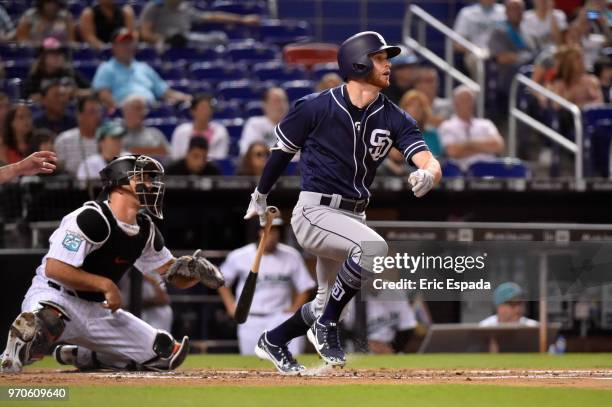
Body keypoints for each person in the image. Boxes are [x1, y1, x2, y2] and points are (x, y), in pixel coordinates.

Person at [245, 31, 441, 373]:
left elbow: (426, 158)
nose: (388, 64)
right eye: (380, 58)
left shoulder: (393, 115)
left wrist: (429, 174)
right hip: (315, 211)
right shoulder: (315, 106)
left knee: (328, 302)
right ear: (359, 62)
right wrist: (260, 195)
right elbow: (280, 154)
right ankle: (327, 326)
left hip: (353, 216)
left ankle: (274, 340)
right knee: (374, 250)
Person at [0, 154, 224, 373]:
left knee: (165, 353)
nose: (151, 184)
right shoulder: (90, 218)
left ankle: (83, 355)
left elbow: (173, 275)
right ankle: (13, 356)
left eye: (151, 179)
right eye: (143, 178)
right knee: (43, 323)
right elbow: (55, 269)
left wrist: (195, 271)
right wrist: (105, 285)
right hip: (56, 298)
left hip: (98, 310)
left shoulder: (145, 229)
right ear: (119, 183)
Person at [218, 217, 316, 355]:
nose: (272, 235)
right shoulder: (240, 255)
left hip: (280, 317)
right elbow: (222, 282)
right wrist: (231, 307)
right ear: (259, 232)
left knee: (291, 359)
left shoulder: (291, 255)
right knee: (251, 365)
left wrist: (295, 309)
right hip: (251, 318)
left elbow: (306, 286)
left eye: (275, 231)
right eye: (269, 231)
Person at [92, 28, 191, 112]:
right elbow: (104, 96)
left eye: (129, 43)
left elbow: (165, 93)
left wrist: (188, 98)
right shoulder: (106, 68)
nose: (127, 46)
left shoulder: (144, 67)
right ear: (114, 46)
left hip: (150, 112)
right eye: (123, 43)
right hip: (126, 115)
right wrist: (125, 111)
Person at [438, 85, 505, 171]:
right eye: (463, 100)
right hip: (462, 175)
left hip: (490, 173)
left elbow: (498, 145)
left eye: (469, 100)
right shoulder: (447, 126)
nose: (467, 103)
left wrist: (469, 144)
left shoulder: (486, 124)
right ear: (455, 103)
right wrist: (486, 148)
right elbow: (453, 152)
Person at [139, 0, 259, 47]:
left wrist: (243, 19)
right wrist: (164, 39)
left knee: (219, 38)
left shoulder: (186, 9)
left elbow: (212, 16)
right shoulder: (155, 7)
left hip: (187, 42)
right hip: (163, 45)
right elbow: (144, 33)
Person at [488, 0, 536, 99]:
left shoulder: (528, 32)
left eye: (520, 9)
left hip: (531, 74)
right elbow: (502, 57)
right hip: (509, 76)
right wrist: (524, 57)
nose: (518, 12)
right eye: (514, 9)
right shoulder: (499, 31)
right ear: (506, 12)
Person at [21, 36, 90, 100]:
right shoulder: (35, 77)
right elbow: (26, 98)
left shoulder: (70, 73)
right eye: (53, 54)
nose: (58, 57)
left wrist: (76, 93)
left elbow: (91, 91)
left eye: (59, 53)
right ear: (43, 58)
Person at [453, 0, 506, 77]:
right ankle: (482, 87)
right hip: (474, 52)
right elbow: (456, 43)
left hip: (499, 52)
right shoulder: (467, 13)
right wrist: (474, 49)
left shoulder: (504, 11)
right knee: (479, 61)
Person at [170, 94, 229, 160]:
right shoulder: (180, 132)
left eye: (208, 108)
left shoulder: (220, 132)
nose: (206, 112)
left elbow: (220, 158)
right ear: (193, 111)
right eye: (202, 108)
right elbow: (175, 157)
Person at [54, 96, 102, 177]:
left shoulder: (107, 140)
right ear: (79, 115)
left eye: (98, 112)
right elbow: (58, 172)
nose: (97, 116)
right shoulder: (63, 140)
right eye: (92, 112)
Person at [239, 88, 289, 156]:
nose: (281, 105)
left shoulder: (295, 126)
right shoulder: (255, 124)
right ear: (265, 105)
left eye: (283, 101)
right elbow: (248, 153)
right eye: (276, 101)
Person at [399, 90, 443, 157]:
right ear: (404, 108)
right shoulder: (395, 134)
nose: (416, 109)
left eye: (419, 106)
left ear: (424, 111)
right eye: (411, 105)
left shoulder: (432, 135)